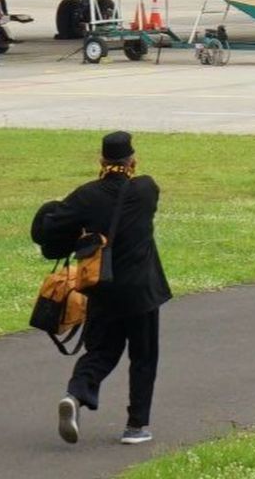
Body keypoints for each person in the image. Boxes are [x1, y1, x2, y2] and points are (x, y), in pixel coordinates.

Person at [52, 131, 170, 446]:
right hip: (142, 292)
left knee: (101, 352)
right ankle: (136, 426)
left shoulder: (86, 195)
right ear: (133, 161)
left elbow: (48, 228)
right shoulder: (146, 190)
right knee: (143, 357)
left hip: (102, 289)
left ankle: (75, 395)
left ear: (101, 161)